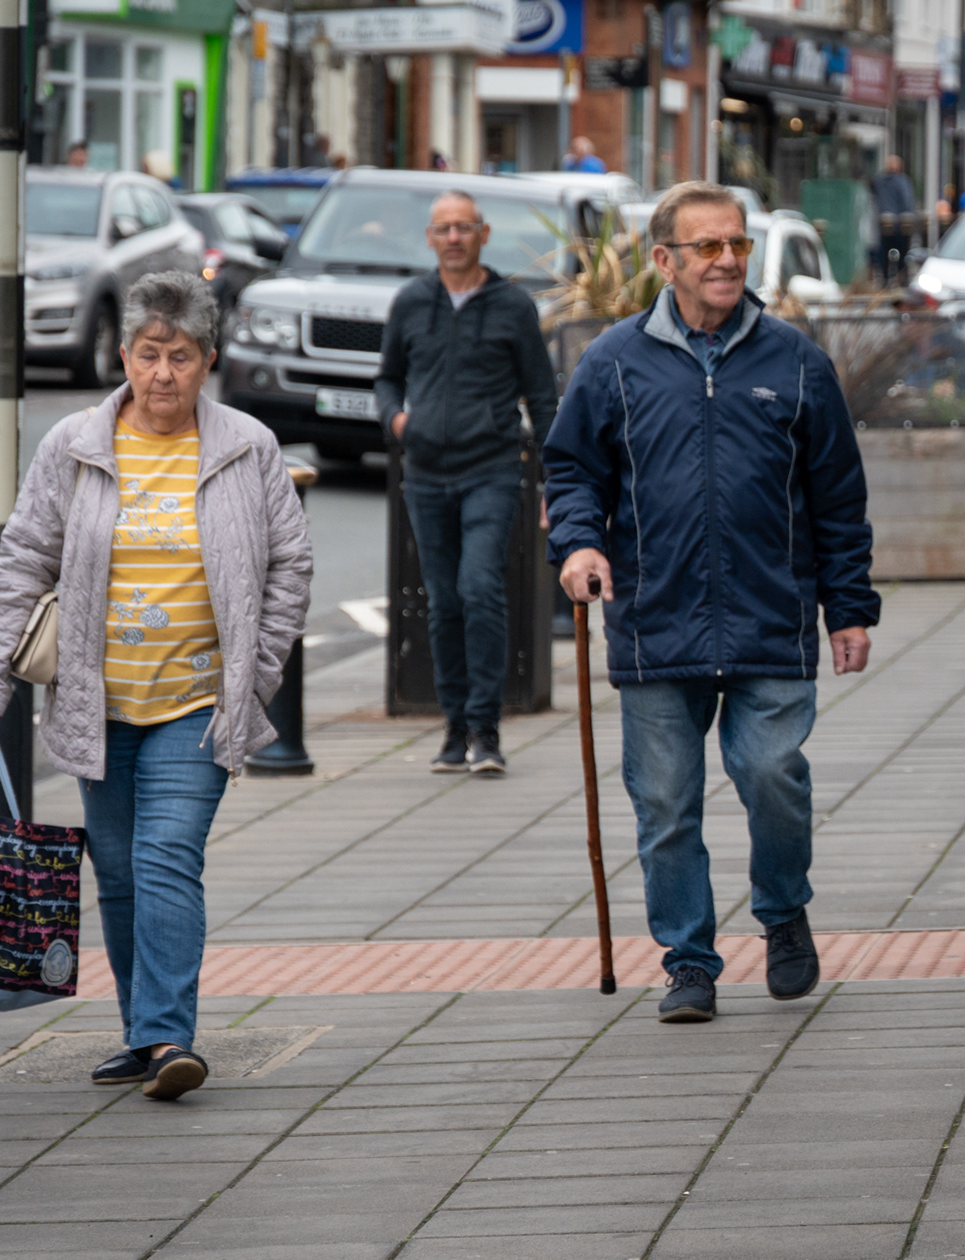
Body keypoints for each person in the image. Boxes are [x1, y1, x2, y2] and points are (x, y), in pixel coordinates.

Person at [543, 181, 880, 1024]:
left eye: (737, 245)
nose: (729, 260)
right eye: (709, 248)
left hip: (770, 614)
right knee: (664, 804)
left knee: (772, 775)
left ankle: (783, 912)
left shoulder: (796, 362)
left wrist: (848, 607)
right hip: (657, 620)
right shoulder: (613, 362)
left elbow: (838, 494)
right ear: (665, 262)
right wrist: (579, 543)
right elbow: (573, 469)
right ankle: (688, 959)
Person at [0, 271, 311, 1099]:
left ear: (209, 362)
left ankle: (167, 1037)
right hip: (98, 703)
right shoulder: (74, 446)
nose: (164, 374)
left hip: (197, 704)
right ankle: (141, 1029)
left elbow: (289, 566)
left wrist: (256, 673)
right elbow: (22, 565)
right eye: (150, 355)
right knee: (118, 872)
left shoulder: (245, 447)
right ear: (124, 354)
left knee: (166, 858)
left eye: (182, 357)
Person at [375, 191, 558, 775]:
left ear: (483, 235)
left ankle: (487, 729)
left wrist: (557, 480)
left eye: (464, 227)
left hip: (493, 470)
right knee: (443, 602)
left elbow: (543, 395)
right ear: (430, 239)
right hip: (425, 474)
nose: (454, 237)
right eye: (443, 228)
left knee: (481, 590)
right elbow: (386, 381)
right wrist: (398, 420)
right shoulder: (410, 302)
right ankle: (454, 728)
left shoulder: (513, 307)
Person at [870, 154, 917, 284]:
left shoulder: (879, 180)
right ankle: (901, 277)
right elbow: (907, 201)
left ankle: (885, 277)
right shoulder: (903, 180)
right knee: (902, 250)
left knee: (885, 250)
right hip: (901, 223)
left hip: (885, 221)